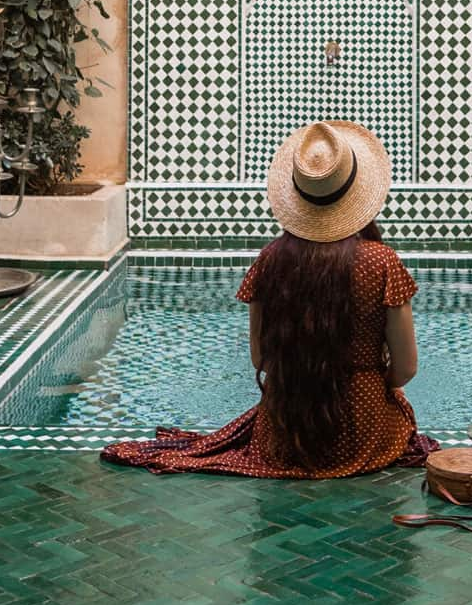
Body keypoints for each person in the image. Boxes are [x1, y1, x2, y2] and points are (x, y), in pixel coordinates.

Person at [101, 120, 438, 478]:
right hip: (366, 432)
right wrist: (367, 386)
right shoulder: (382, 262)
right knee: (397, 402)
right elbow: (405, 368)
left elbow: (260, 358)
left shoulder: (270, 260)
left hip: (285, 430)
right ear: (358, 191)